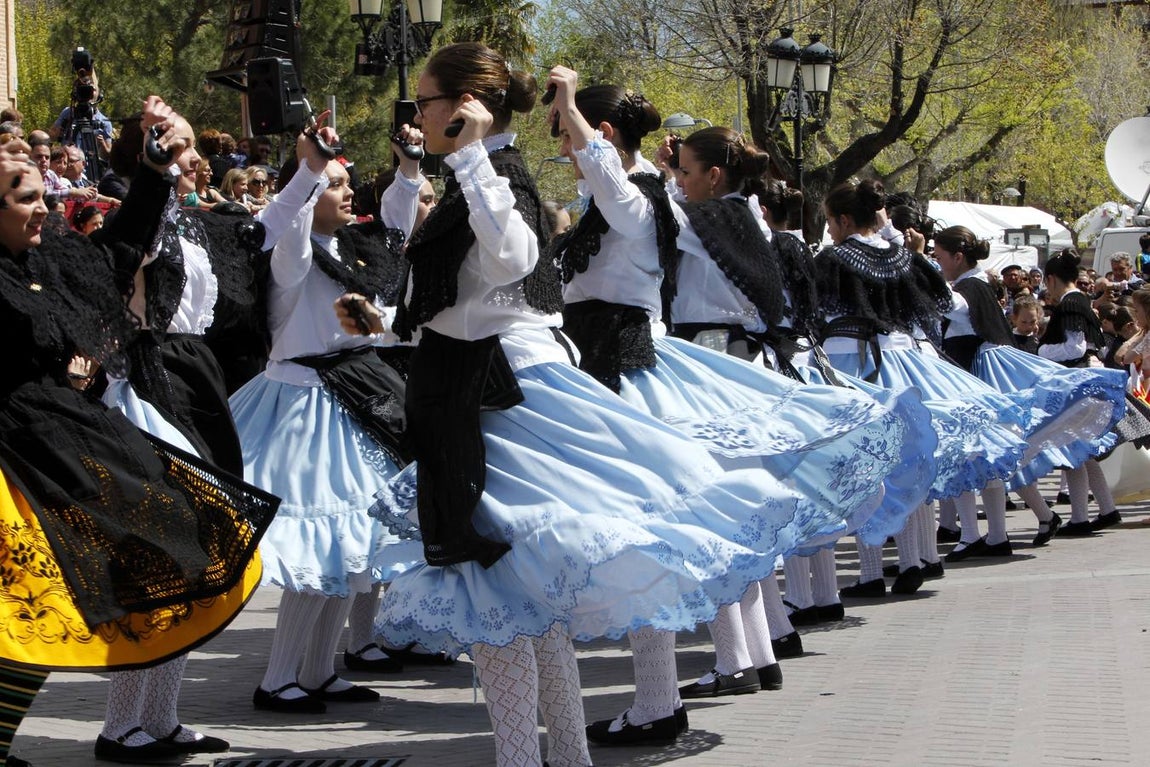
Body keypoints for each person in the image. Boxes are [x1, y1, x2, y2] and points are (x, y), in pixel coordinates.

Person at [345, 42, 850, 767]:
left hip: (504, 397)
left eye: (423, 102)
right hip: (482, 387)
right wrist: (390, 322)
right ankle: (570, 753)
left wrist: (474, 153)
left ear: (461, 107)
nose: (414, 115)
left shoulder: (505, 174)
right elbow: (477, 293)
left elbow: (517, 260)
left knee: (503, 600)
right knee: (523, 596)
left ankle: (561, 744)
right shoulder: (482, 177)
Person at [544, 72, 932, 743]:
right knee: (642, 532)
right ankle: (670, 692)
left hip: (629, 375)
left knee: (647, 530)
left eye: (568, 140)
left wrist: (570, 105)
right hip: (604, 373)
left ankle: (666, 697)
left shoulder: (634, 201)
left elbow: (610, 177)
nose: (564, 150)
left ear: (600, 137)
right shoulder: (637, 198)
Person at [0, 122, 276, 766]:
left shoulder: (49, 256)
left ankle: (147, 721)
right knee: (21, 610)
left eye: (43, 194)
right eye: (23, 195)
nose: (43, 207)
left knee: (174, 538)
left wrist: (153, 178)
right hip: (17, 450)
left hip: (59, 436)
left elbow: (113, 257)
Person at [230, 129, 423, 714]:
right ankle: (278, 678)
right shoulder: (294, 256)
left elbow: (368, 323)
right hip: (301, 407)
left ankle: (318, 671)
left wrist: (409, 173)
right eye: (333, 185)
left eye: (344, 183)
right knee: (320, 544)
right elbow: (287, 234)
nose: (346, 193)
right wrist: (308, 172)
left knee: (352, 546)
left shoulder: (344, 257)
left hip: (349, 398)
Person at [813, 179, 1030, 595]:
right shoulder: (905, 258)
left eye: (829, 221)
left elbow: (807, 308)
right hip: (907, 361)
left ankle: (872, 572)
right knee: (911, 459)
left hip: (853, 362)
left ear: (842, 220)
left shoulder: (832, 259)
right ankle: (913, 559)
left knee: (863, 464)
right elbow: (950, 304)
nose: (830, 230)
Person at [932, 226, 1126, 550]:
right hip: (989, 371)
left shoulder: (970, 288)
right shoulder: (974, 285)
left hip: (994, 374)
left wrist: (1042, 354)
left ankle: (1005, 529)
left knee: (999, 451)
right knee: (999, 453)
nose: (937, 263)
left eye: (938, 258)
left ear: (957, 256)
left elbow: (1075, 346)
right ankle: (1001, 530)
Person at [1039, 249, 1133, 533]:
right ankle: (1106, 509)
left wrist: (1040, 351)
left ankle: (1080, 517)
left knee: (1073, 449)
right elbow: (1098, 346)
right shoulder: (1083, 302)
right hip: (1088, 377)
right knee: (1083, 450)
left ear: (1051, 279)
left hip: (1077, 380)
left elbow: (1075, 346)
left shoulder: (1071, 304)